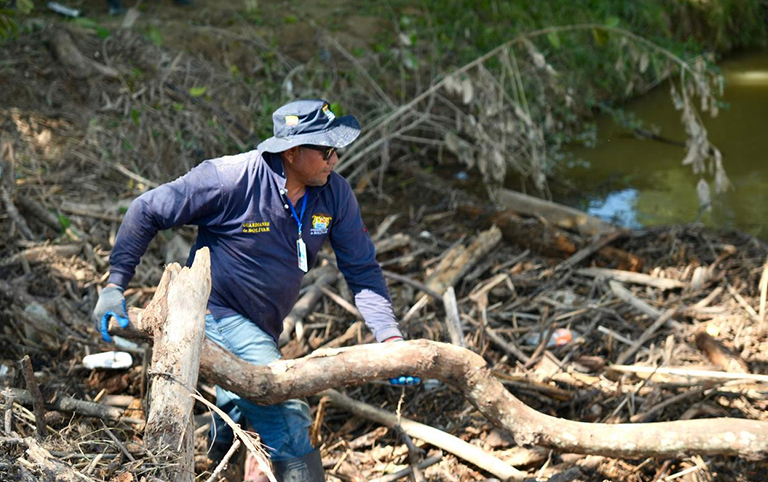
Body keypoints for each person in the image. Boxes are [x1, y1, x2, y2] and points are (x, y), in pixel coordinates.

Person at [91, 99, 419, 482]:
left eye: (337, 149)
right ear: (292, 151)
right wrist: (115, 285)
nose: (335, 159)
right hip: (215, 311)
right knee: (285, 412)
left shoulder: (334, 194)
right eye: (326, 150)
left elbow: (361, 269)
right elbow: (147, 209)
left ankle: (224, 462)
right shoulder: (230, 179)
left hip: (263, 324)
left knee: (239, 417)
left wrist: (390, 337)